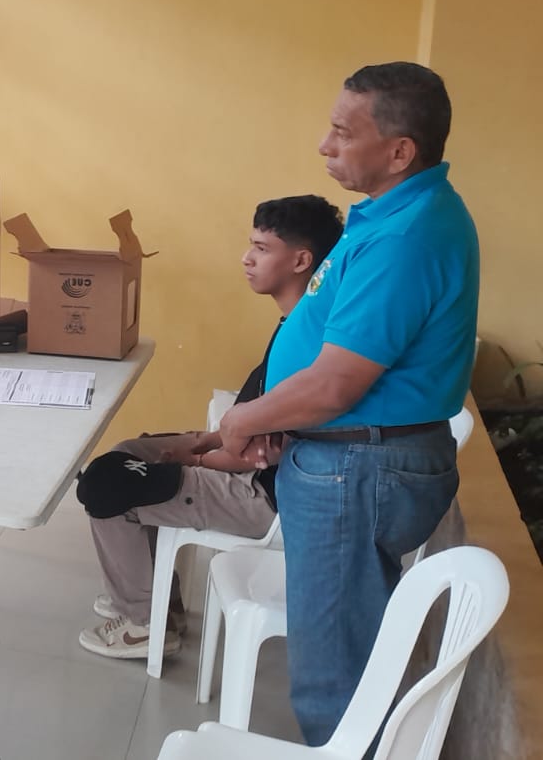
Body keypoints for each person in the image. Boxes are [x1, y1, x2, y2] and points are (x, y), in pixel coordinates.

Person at [214, 62, 478, 745]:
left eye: (342, 132)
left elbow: (336, 385)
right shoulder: (395, 214)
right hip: (353, 457)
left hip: (356, 470)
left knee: (333, 678)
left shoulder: (405, 237)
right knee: (350, 647)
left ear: (399, 151)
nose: (324, 145)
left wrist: (245, 418)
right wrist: (283, 417)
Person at [75, 196, 344, 660]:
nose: (247, 258)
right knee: (127, 452)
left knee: (106, 486)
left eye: (262, 248)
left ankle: (143, 624)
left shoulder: (310, 338)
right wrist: (206, 441)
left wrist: (197, 458)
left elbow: (258, 454)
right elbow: (256, 422)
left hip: (264, 497)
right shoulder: (297, 321)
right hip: (248, 462)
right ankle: (157, 598)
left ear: (301, 261)